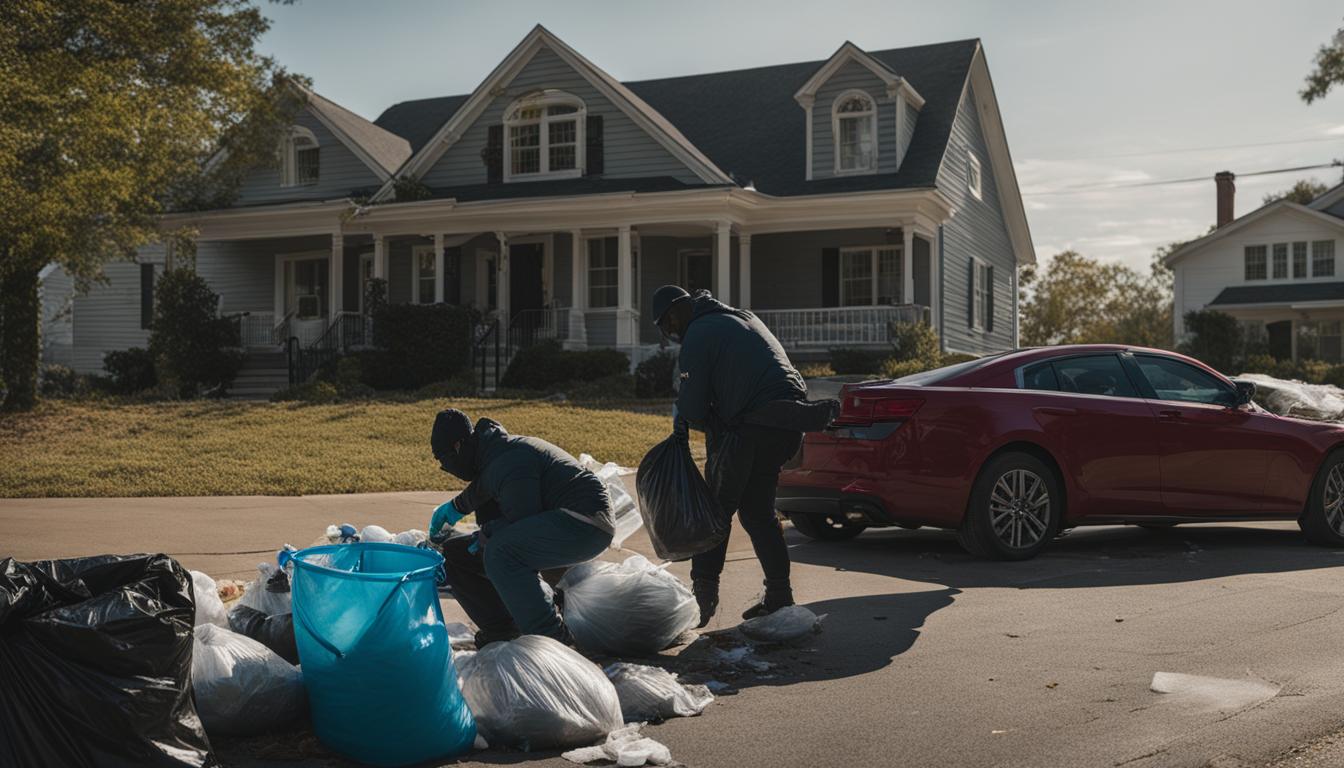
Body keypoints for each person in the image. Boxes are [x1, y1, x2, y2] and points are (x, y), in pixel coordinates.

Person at [651, 285, 833, 627]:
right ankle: (780, 597)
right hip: (786, 426)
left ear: (675, 312)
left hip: (749, 430)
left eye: (667, 325)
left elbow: (691, 406)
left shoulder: (699, 333)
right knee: (757, 513)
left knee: (712, 514)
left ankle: (700, 603)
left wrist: (690, 418)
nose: (670, 334)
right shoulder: (741, 317)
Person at [427, 409, 614, 647]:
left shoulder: (508, 457)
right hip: (565, 521)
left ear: (458, 447)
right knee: (457, 554)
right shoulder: (494, 454)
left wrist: (491, 531)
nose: (446, 467)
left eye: (444, 459)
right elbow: (483, 489)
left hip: (583, 521)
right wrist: (454, 508)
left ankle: (554, 640)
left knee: (502, 552)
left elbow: (522, 517)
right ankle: (502, 630)